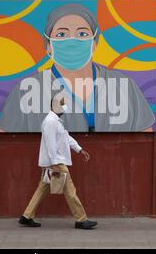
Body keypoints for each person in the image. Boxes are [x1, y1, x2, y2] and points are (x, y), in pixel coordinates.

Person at [0, 3, 155, 132]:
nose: (72, 41)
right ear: (48, 46)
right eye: (61, 35)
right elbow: (6, 143)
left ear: (94, 44)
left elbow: (145, 138)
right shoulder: (25, 90)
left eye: (82, 34)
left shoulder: (123, 85)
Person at [18, 93, 98, 229]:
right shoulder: (50, 122)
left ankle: (26, 216)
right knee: (70, 191)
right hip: (56, 163)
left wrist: (79, 149)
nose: (64, 107)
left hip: (53, 161)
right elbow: (50, 144)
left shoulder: (55, 122)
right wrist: (54, 163)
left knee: (42, 189)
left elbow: (65, 138)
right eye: (62, 104)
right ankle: (81, 219)